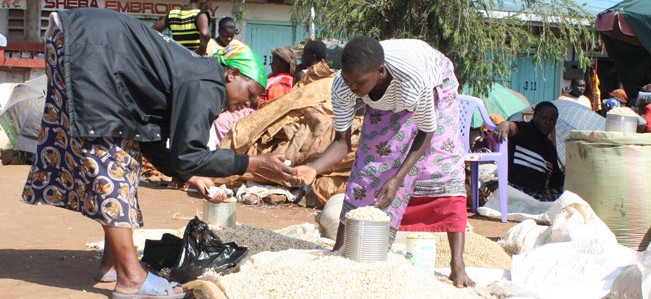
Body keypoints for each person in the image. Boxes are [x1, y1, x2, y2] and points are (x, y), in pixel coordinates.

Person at [23, 9, 294, 298]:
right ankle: (131, 279)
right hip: (91, 48)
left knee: (125, 155)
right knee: (112, 161)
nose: (248, 104)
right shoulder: (208, 84)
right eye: (250, 94)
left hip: (78, 39)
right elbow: (188, 153)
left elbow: (150, 141)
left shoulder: (198, 77)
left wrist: (188, 175)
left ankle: (114, 262)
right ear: (232, 74)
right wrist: (251, 163)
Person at [293, 37, 475, 287]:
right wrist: (313, 168)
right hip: (386, 98)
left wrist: (398, 178)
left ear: (380, 72)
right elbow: (341, 142)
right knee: (369, 168)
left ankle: (457, 265)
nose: (353, 87)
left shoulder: (413, 80)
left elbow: (426, 132)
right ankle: (341, 249)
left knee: (442, 166)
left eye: (359, 82)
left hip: (432, 84)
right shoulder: (344, 86)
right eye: (348, 80)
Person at [494, 101, 564, 201]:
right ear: (534, 116)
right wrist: (505, 124)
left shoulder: (550, 147)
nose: (547, 122)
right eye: (544, 118)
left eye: (552, 120)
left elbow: (555, 180)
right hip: (515, 189)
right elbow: (513, 128)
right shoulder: (526, 129)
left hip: (537, 192)